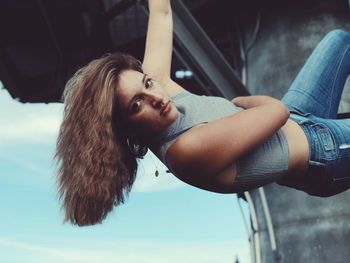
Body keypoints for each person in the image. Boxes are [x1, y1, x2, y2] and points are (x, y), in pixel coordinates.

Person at [55, 0, 350, 226]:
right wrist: (243, 103)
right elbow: (276, 111)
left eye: (147, 83)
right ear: (126, 131)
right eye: (136, 105)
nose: (155, 97)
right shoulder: (186, 150)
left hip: (301, 120)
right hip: (323, 153)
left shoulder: (160, 90)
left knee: (338, 40)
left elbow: (162, 14)